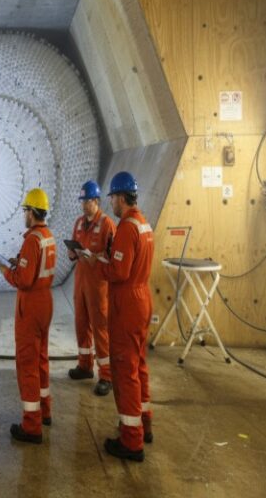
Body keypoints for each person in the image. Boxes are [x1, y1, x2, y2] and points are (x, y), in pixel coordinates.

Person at [95, 171, 154, 462]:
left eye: (112, 199)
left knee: (125, 371)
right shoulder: (144, 225)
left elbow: (119, 272)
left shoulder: (128, 227)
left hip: (127, 304)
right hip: (142, 299)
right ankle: (144, 422)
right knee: (139, 365)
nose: (111, 205)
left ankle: (131, 441)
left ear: (120, 197)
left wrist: (99, 266)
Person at [0, 188, 56, 444]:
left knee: (27, 363)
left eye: (25, 211)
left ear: (32, 213)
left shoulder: (32, 240)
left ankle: (31, 426)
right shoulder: (47, 236)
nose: (24, 215)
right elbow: (34, 268)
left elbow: (23, 279)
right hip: (46, 303)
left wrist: (4, 269)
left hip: (30, 306)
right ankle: (44, 410)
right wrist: (19, 261)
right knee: (41, 358)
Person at [67, 180, 115, 396]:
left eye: (87, 201)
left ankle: (106, 375)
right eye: (83, 201)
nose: (84, 205)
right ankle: (85, 365)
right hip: (81, 281)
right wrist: (72, 253)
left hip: (98, 285)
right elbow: (75, 250)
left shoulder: (107, 224)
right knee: (81, 324)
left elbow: (113, 256)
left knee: (100, 329)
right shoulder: (78, 223)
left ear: (96, 201)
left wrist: (98, 257)